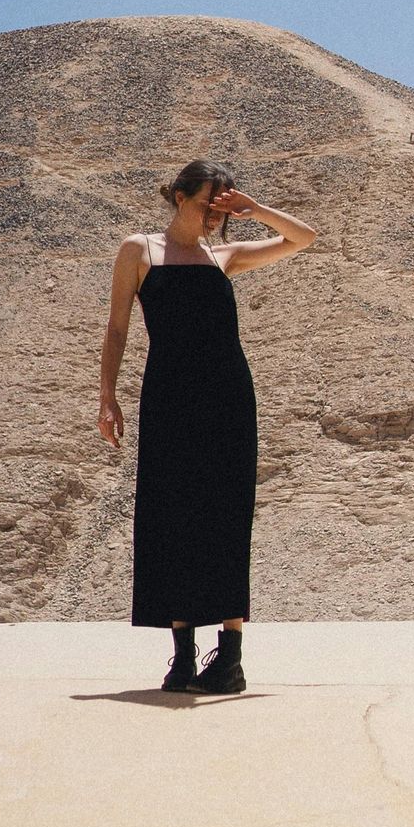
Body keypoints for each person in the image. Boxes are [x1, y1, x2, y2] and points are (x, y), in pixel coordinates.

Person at [98, 162, 317, 694]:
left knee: (224, 517)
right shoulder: (140, 250)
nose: (215, 215)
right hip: (169, 399)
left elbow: (305, 237)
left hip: (227, 401)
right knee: (171, 516)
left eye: (223, 205)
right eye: (206, 203)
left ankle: (231, 660)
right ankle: (182, 657)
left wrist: (253, 209)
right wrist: (107, 396)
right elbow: (118, 326)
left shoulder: (226, 257)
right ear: (177, 198)